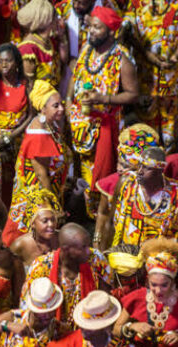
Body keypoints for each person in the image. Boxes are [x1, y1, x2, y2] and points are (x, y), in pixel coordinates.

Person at [66, 6, 139, 218]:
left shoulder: (122, 59)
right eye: (91, 27)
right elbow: (75, 74)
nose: (92, 32)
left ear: (110, 31)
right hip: (78, 123)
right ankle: (79, 210)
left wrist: (104, 99)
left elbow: (133, 94)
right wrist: (69, 99)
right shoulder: (86, 48)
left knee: (99, 173)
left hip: (104, 127)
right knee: (78, 170)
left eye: (98, 28)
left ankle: (98, 217)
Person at [124, 0, 178, 152]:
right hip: (146, 79)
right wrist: (146, 54)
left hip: (173, 80)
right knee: (145, 138)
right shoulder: (136, 3)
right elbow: (128, 32)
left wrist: (176, 56)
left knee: (171, 138)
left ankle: (167, 173)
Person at [113, 238, 178, 347]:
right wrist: (132, 326)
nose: (158, 291)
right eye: (153, 285)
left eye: (164, 285)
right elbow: (115, 329)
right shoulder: (136, 298)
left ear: (172, 283)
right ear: (147, 281)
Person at [2, 80, 68, 246]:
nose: (61, 108)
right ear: (42, 108)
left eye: (62, 104)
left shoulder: (49, 125)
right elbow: (41, 174)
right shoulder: (39, 135)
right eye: (56, 106)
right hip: (39, 195)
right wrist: (54, 207)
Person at [21, 223, 113, 331]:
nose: (88, 251)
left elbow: (108, 298)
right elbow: (27, 309)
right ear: (65, 249)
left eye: (88, 246)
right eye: (83, 248)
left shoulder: (96, 259)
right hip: (52, 334)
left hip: (90, 331)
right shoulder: (41, 267)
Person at [94, 123, 160, 249]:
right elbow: (102, 214)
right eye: (119, 163)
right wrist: (97, 241)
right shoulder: (110, 183)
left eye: (126, 167)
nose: (119, 169)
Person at [0, 43, 31, 203]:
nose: (4, 65)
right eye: (0, 61)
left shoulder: (26, 85)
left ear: (16, 62)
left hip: (16, 138)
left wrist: (9, 138)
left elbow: (30, 116)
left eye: (8, 61)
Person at [105, 147, 178, 248]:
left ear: (159, 170)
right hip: (126, 255)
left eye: (147, 168)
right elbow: (112, 222)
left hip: (156, 257)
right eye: (139, 165)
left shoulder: (175, 194)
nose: (139, 171)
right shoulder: (128, 185)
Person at [43, 290, 142, 347]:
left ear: (106, 328)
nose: (84, 330)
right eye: (83, 325)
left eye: (91, 328)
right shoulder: (69, 345)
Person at [17, 0, 69, 87]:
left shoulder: (49, 40)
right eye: (56, 17)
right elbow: (28, 86)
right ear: (46, 20)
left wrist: (62, 37)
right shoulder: (28, 49)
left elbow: (64, 59)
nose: (58, 20)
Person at [10, 188, 62, 270]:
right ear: (33, 224)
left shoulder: (62, 239)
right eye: (45, 221)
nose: (51, 224)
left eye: (53, 220)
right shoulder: (20, 245)